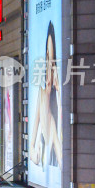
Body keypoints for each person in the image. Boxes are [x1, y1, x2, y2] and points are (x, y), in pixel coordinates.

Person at [29, 21, 62, 170]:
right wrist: (32, 150)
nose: (50, 66)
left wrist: (59, 90)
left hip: (51, 144)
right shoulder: (41, 95)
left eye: (52, 61)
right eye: (48, 58)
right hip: (44, 150)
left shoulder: (58, 96)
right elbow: (35, 125)